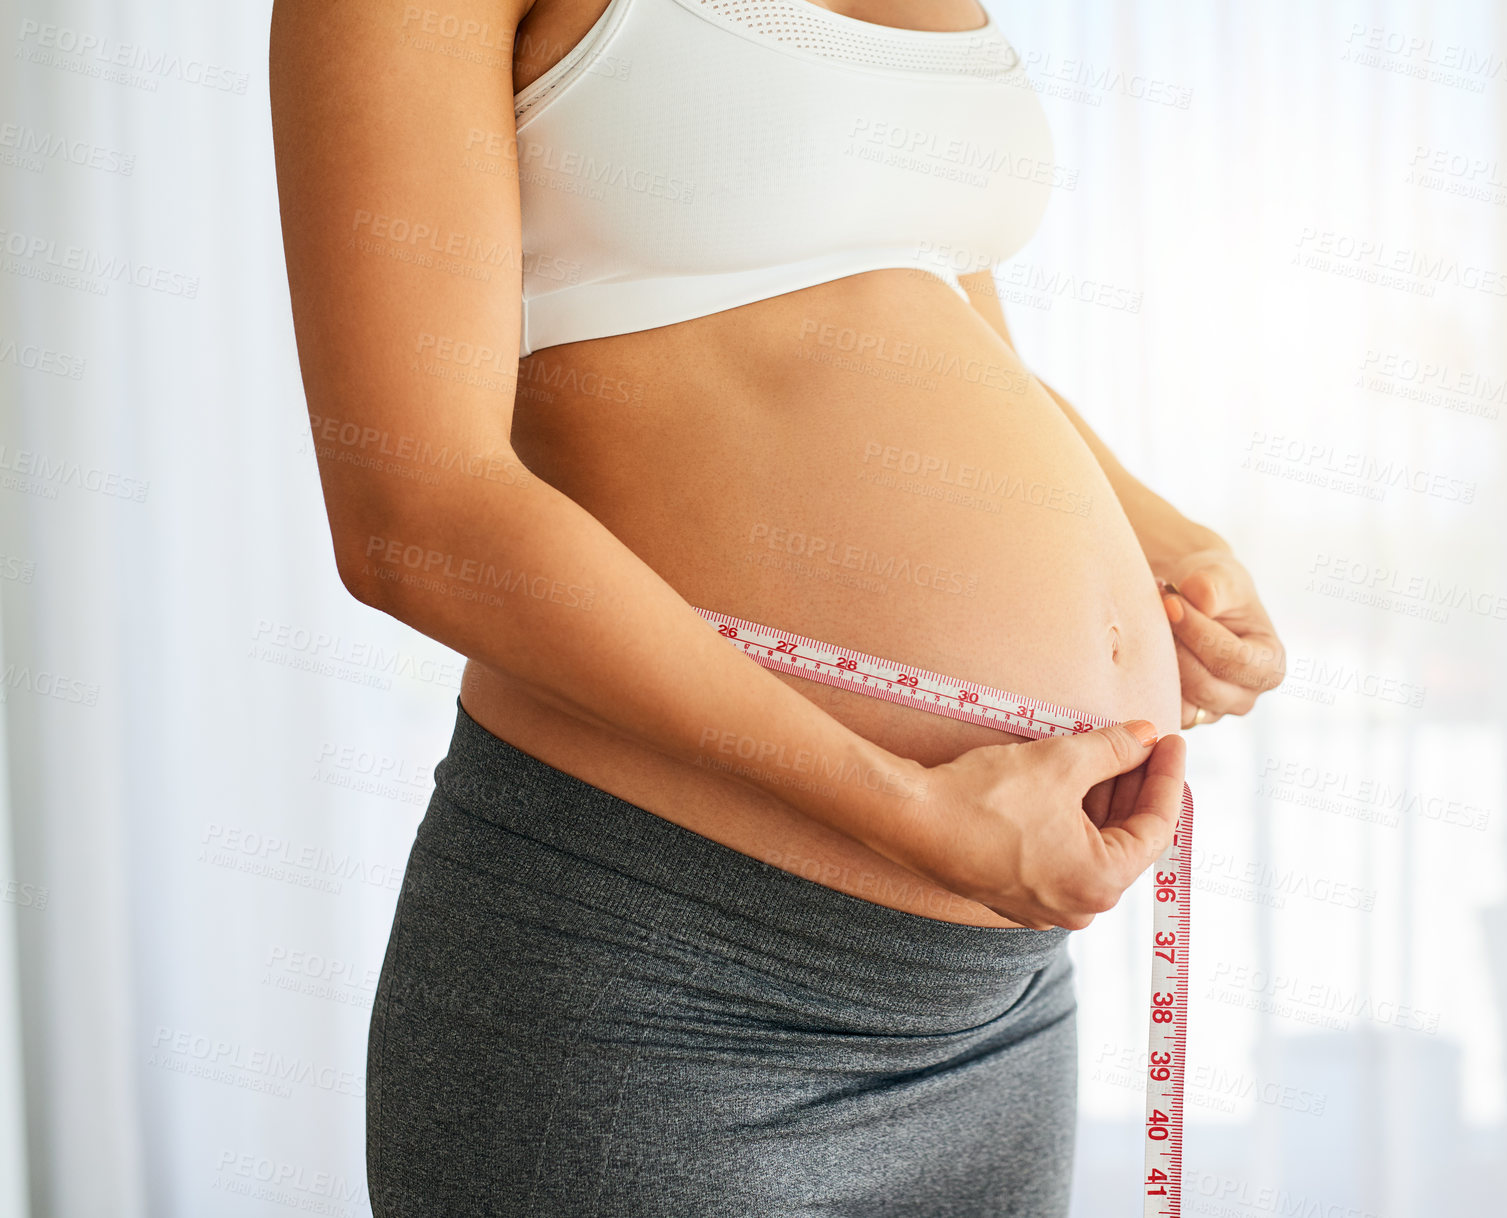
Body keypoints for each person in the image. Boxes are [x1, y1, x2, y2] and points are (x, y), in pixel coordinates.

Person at [269, 0, 1285, 1212]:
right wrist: (906, 809)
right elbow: (415, 521)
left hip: (996, 1007)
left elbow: (926, 323)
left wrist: (1151, 532)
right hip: (657, 977)